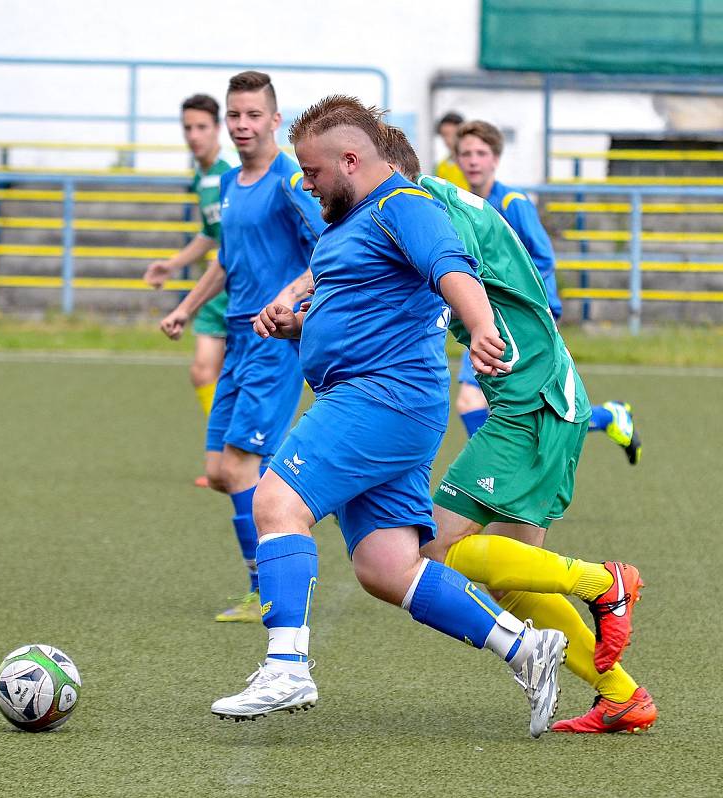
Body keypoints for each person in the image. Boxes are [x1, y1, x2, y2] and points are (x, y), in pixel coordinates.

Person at [210, 95, 569, 739]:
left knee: (275, 503)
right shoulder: (351, 223)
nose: (308, 183)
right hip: (382, 399)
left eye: (314, 172)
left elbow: (450, 266)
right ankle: (524, 647)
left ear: (351, 160)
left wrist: (483, 325)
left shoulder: (402, 204)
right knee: (387, 567)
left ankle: (286, 664)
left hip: (380, 396)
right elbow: (363, 312)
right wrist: (299, 326)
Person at [382, 126, 657, 734]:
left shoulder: (424, 211)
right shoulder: (448, 204)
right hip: (550, 396)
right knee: (514, 579)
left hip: (527, 404)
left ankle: (602, 581)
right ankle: (622, 696)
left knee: (438, 546)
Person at [159, 72, 326, 623]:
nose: (242, 125)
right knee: (221, 469)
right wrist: (186, 306)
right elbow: (226, 260)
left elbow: (328, 251)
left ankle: (271, 590)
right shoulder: (230, 181)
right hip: (234, 337)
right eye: (235, 115)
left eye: (253, 115)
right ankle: (292, 523)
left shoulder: (290, 181)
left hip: (273, 341)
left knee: (238, 464)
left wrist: (292, 301)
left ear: (275, 120)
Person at [453, 120, 642, 465]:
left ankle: (495, 474)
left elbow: (542, 259)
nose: (473, 160)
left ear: (495, 158)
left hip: (524, 318)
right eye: (466, 153)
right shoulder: (464, 204)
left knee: (485, 401)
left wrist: (540, 310)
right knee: (527, 407)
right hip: (490, 319)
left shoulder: (512, 202)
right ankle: (609, 417)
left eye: (481, 153)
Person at [144, 94, 235, 489]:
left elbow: (237, 243)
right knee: (203, 371)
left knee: (255, 376)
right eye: (188, 128)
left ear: (217, 129)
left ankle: (248, 459)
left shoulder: (231, 172)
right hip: (217, 288)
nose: (194, 135)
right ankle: (226, 457)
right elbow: (211, 234)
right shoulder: (201, 176)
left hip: (242, 288)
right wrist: (175, 263)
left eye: (202, 127)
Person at [435, 111, 469, 189]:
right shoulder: (441, 166)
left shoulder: (475, 162)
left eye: (451, 134)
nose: (447, 139)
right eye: (444, 135)